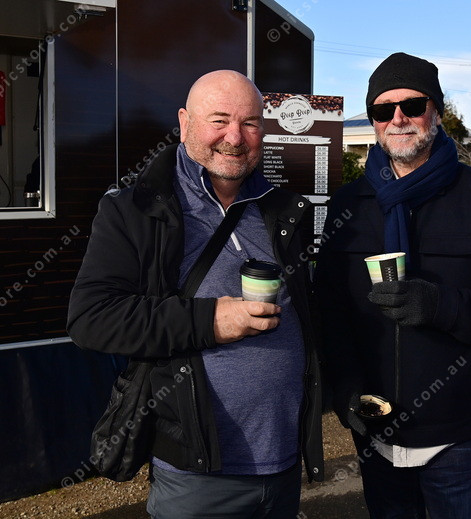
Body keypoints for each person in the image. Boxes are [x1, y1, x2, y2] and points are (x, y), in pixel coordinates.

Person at [67, 70, 324, 519]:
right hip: (197, 475)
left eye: (249, 123)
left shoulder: (284, 210)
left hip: (284, 463)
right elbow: (91, 318)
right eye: (219, 120)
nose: (234, 137)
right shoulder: (135, 209)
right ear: (185, 122)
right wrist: (210, 321)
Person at [315, 52, 471, 519]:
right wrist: (346, 390)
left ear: (436, 112)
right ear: (373, 120)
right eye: (383, 109)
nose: (397, 118)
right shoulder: (349, 205)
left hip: (455, 435)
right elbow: (331, 311)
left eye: (412, 105)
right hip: (376, 429)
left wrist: (442, 305)